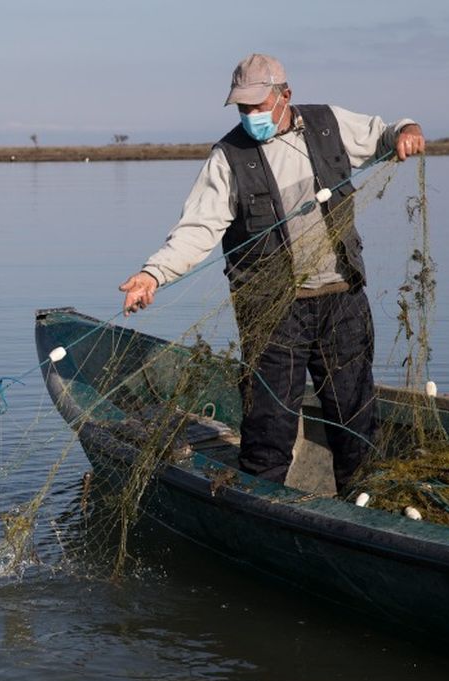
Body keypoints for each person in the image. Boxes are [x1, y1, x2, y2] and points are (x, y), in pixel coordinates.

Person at [117, 53, 425, 492]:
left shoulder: (328, 124)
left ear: (285, 96)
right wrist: (152, 275)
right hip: (272, 311)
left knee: (355, 418)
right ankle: (260, 509)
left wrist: (407, 131)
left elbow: (385, 134)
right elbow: (196, 230)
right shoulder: (228, 158)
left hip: (341, 299)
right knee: (269, 425)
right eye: (242, 108)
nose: (250, 116)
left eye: (258, 106)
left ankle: (363, 505)